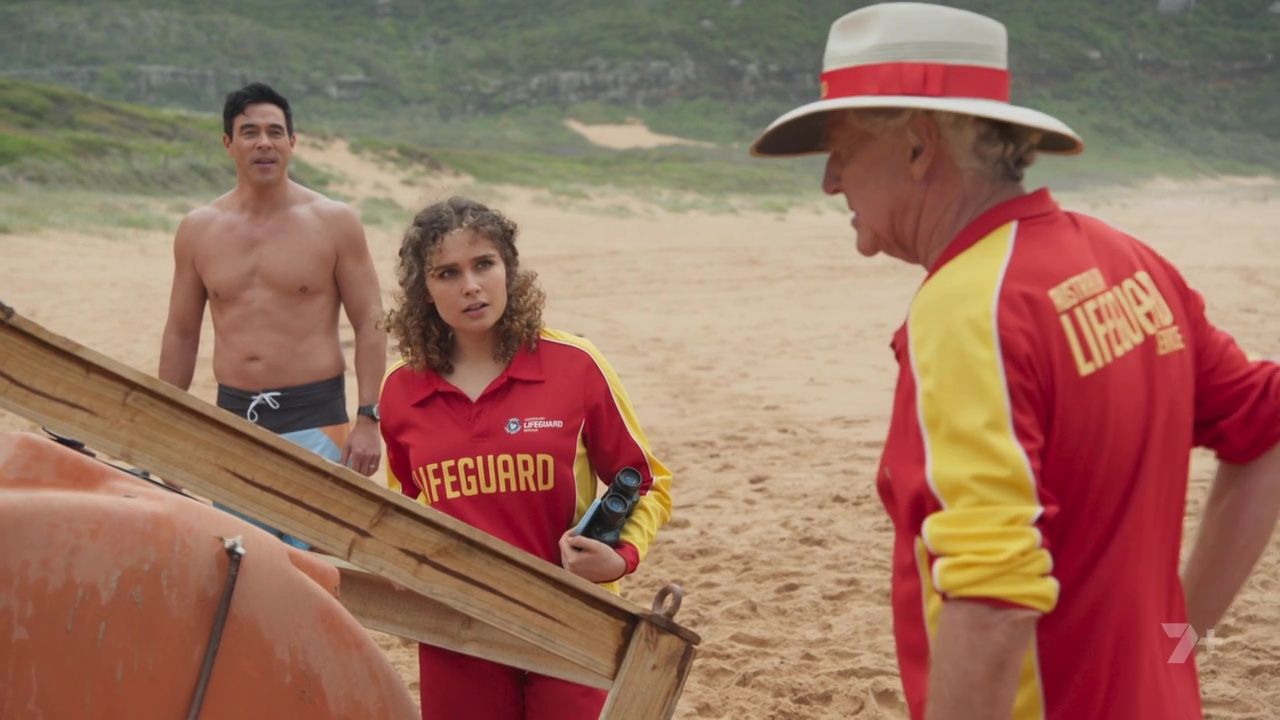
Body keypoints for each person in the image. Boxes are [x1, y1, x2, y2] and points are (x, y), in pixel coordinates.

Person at [751, 4, 1280, 719]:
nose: (830, 179)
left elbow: (992, 605)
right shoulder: (1127, 260)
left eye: (840, 147)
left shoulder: (968, 307)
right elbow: (1265, 427)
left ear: (918, 145)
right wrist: (1180, 643)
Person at [379, 196, 673, 720]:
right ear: (424, 290)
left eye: (484, 264)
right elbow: (402, 510)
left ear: (508, 269)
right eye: (448, 273)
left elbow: (644, 481)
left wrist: (620, 557)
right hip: (456, 632)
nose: (471, 285)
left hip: (570, 621)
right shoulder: (401, 390)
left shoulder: (575, 365)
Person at [159, 82, 386, 548]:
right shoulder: (199, 230)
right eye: (250, 132)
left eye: (275, 132)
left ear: (292, 142)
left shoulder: (333, 221)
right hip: (234, 426)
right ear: (228, 144)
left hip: (317, 423)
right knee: (245, 565)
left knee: (317, 567)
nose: (264, 142)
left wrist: (368, 417)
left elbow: (371, 320)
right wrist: (166, 429)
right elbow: (181, 333)